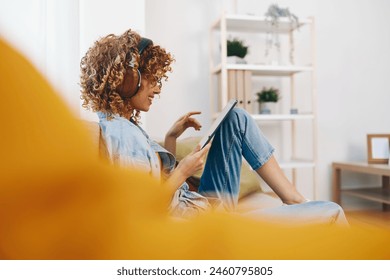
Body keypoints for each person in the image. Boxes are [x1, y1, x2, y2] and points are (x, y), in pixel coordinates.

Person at [80, 29, 347, 224]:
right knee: (332, 212)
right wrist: (184, 170)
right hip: (200, 224)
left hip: (199, 207)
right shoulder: (122, 134)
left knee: (235, 119)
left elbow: (154, 180)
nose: (157, 88)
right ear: (127, 80)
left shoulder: (123, 125)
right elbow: (143, 210)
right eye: (152, 79)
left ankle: (293, 199)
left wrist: (171, 137)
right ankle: (298, 204)